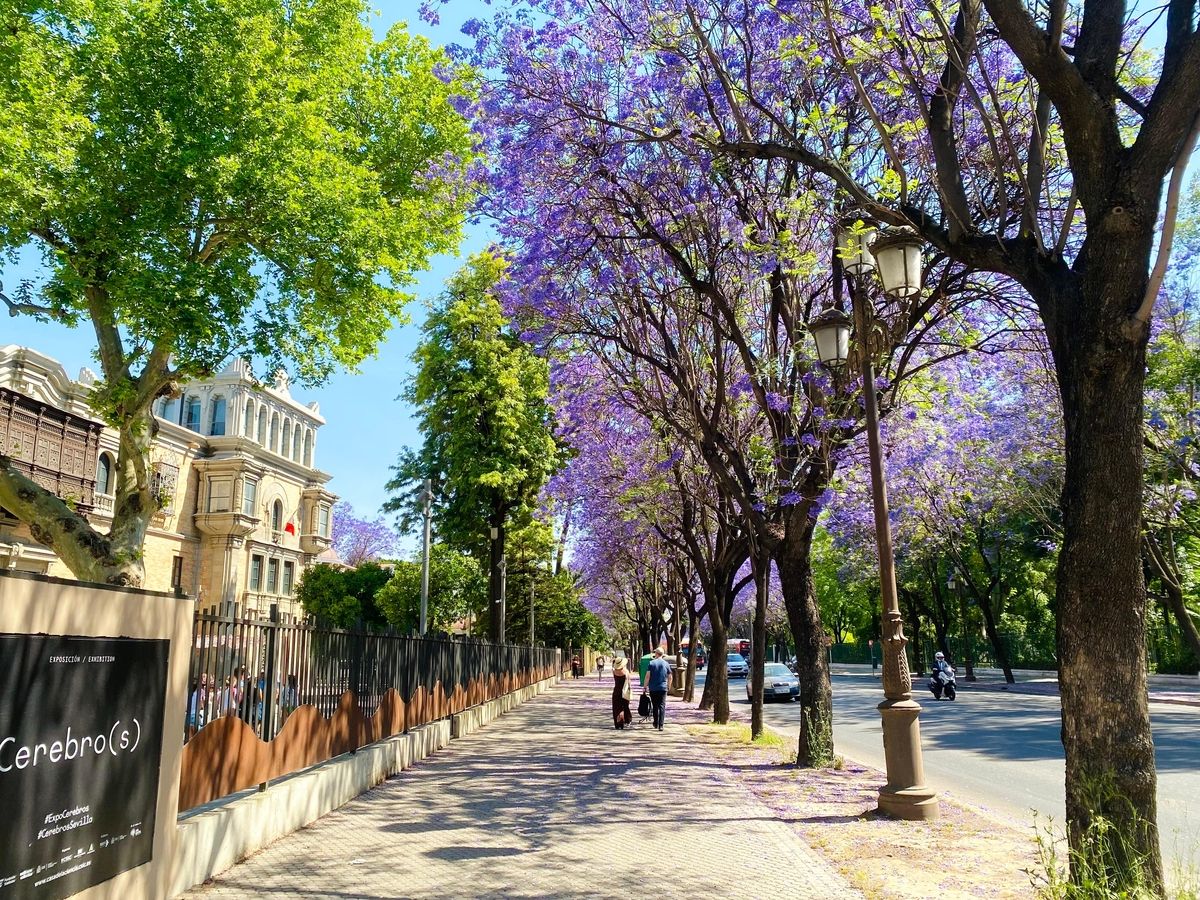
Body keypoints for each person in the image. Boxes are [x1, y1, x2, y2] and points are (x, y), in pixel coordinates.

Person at [645, 647, 671, 731]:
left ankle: (655, 722)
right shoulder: (666, 664)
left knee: (655, 705)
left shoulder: (651, 663)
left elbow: (648, 676)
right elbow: (670, 676)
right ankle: (661, 725)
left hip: (653, 688)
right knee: (662, 706)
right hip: (663, 688)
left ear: (656, 654)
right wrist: (668, 686)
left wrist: (645, 687)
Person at [611, 657, 632, 729]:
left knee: (616, 708)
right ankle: (625, 721)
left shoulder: (614, 671)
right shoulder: (626, 672)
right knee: (624, 706)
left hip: (616, 691)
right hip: (624, 691)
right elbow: (629, 682)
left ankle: (618, 724)